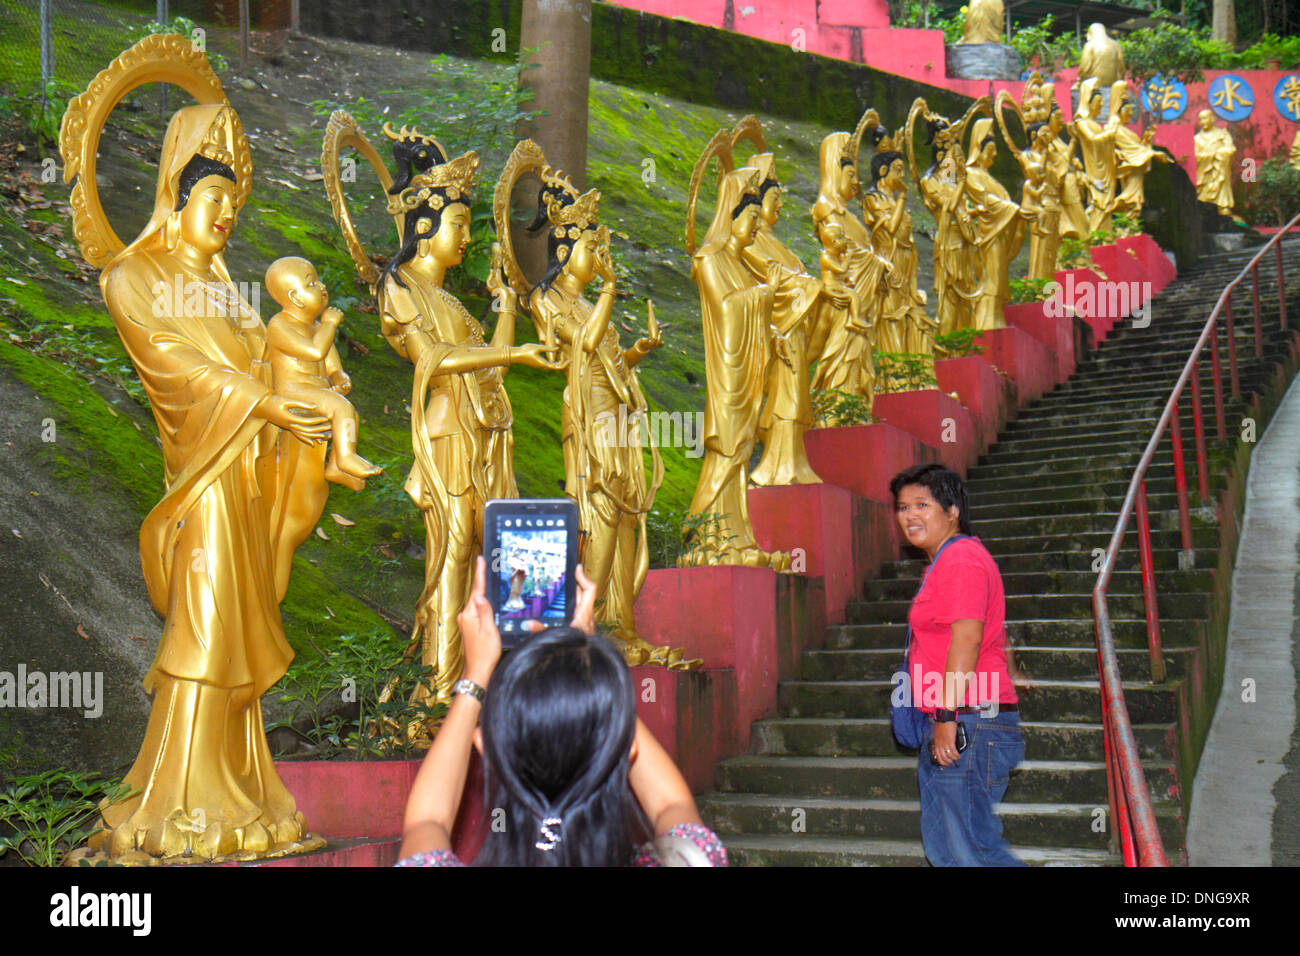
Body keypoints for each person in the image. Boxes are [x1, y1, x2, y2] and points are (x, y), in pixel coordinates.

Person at [395, 556, 728, 866]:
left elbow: (428, 820)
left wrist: (476, 674)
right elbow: (672, 805)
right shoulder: (689, 859)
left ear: (486, 752)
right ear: (628, 752)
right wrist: (590, 671)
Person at [891, 462, 1023, 866]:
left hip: (969, 720)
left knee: (971, 850)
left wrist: (947, 715)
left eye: (922, 505)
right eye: (901, 507)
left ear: (952, 512)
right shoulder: (945, 562)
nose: (909, 515)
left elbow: (967, 638)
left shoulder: (961, 559)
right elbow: (983, 630)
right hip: (960, 718)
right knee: (948, 849)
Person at [265, 256, 381, 492]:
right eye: (312, 284)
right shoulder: (280, 325)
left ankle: (337, 465)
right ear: (295, 297)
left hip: (317, 389)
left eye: (318, 281)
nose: (322, 286)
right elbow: (315, 351)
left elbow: (331, 363)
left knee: (350, 414)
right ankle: (347, 457)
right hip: (295, 391)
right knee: (343, 409)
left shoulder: (316, 328)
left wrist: (340, 377)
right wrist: (329, 324)